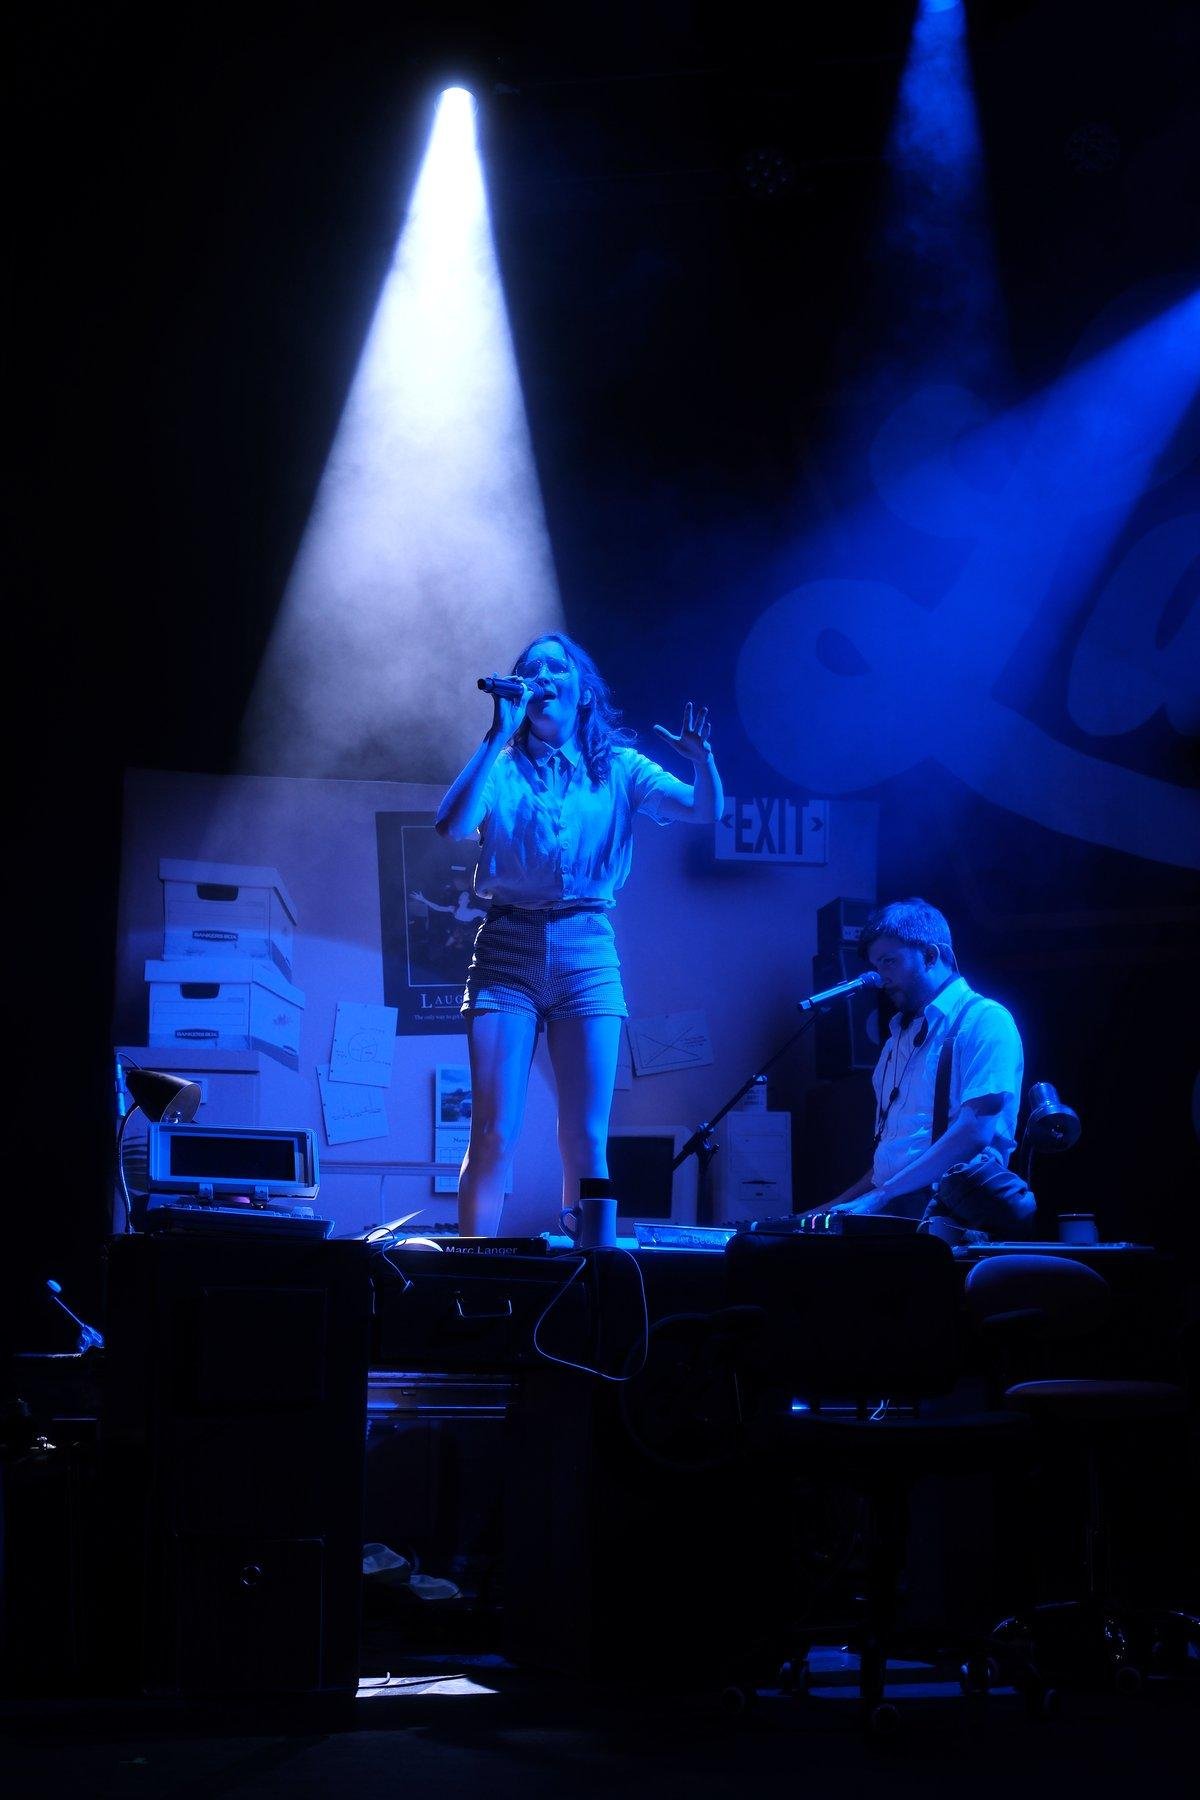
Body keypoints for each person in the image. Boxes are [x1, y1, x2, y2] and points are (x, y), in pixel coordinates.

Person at [435, 632, 723, 1235]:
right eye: (529, 668)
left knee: (587, 1135)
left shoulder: (617, 766)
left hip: (587, 944)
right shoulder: (504, 764)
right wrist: (495, 734)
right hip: (507, 942)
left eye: (554, 667)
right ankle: (470, 1273)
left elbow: (703, 810)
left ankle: (590, 1276)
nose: (540, 675)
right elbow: (452, 825)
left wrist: (703, 759)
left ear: (583, 691)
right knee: (492, 1130)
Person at [807, 897, 1032, 1242]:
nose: (881, 978)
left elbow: (974, 1132)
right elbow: (892, 1163)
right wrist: (828, 1208)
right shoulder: (896, 1042)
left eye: (889, 961)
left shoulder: (985, 1020)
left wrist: (880, 1197)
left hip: (951, 1222)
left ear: (930, 955)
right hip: (896, 1215)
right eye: (877, 965)